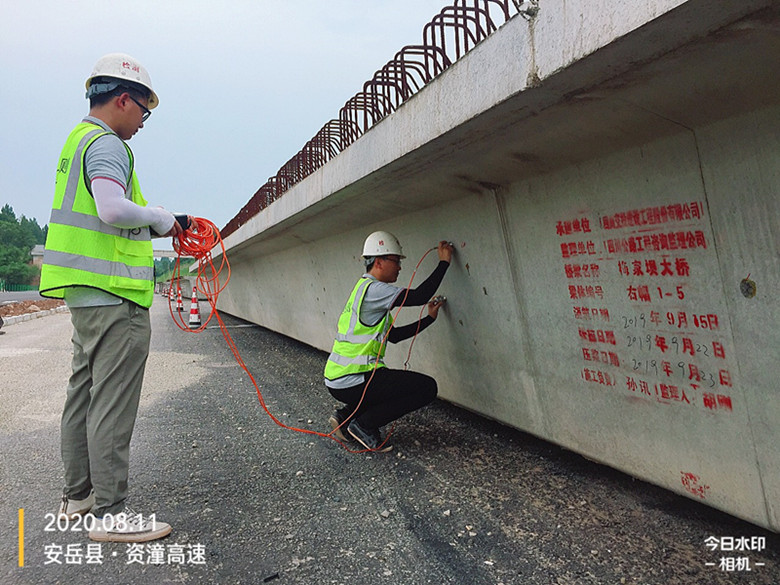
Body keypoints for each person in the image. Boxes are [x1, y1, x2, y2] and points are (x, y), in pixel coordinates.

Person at [39, 53, 186, 542]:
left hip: (83, 294)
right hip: (113, 296)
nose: (144, 121)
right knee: (111, 404)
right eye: (144, 110)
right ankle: (110, 515)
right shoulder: (107, 144)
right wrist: (161, 217)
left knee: (81, 396)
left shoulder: (75, 141)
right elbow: (110, 208)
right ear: (123, 99)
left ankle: (78, 497)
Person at [324, 231, 455, 452]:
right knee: (426, 388)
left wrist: (429, 319)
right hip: (354, 378)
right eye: (395, 261)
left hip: (339, 379)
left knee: (385, 384)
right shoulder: (375, 290)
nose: (400, 267)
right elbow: (419, 296)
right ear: (379, 262)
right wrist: (444, 262)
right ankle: (364, 425)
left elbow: (393, 336)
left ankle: (345, 417)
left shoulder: (364, 291)